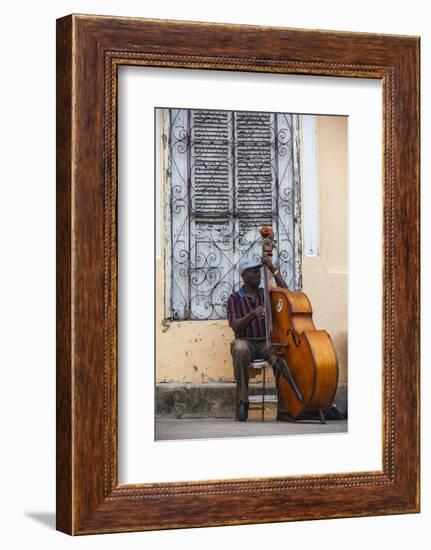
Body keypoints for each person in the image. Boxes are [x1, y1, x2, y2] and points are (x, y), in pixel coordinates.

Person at [227, 256, 290, 421]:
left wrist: (272, 268)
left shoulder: (265, 294)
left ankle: (285, 405)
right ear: (245, 276)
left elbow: (285, 292)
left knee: (282, 356)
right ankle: (243, 401)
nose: (258, 275)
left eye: (258, 271)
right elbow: (235, 326)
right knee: (239, 349)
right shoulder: (234, 298)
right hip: (246, 341)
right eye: (254, 272)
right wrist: (253, 315)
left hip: (265, 341)